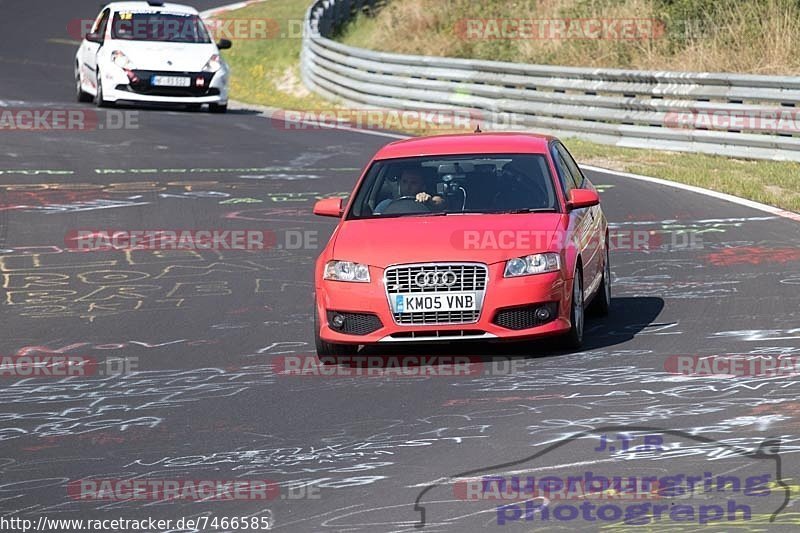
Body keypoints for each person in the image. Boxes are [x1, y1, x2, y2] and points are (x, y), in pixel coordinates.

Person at [373, 168, 444, 214]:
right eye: (404, 182)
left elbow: (441, 203)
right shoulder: (385, 205)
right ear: (399, 183)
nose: (408, 187)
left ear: (423, 186)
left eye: (413, 183)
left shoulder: (429, 204)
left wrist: (429, 201)